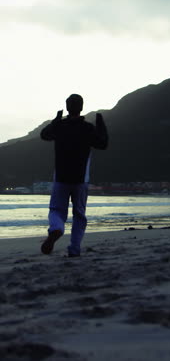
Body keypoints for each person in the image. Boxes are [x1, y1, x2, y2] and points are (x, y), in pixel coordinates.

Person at [40, 94, 108, 257]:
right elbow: (103, 144)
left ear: (67, 107)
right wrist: (100, 124)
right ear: (81, 107)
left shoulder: (60, 127)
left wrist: (56, 121)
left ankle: (57, 229)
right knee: (79, 214)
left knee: (56, 210)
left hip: (61, 178)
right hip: (80, 180)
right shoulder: (88, 128)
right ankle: (74, 249)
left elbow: (44, 135)